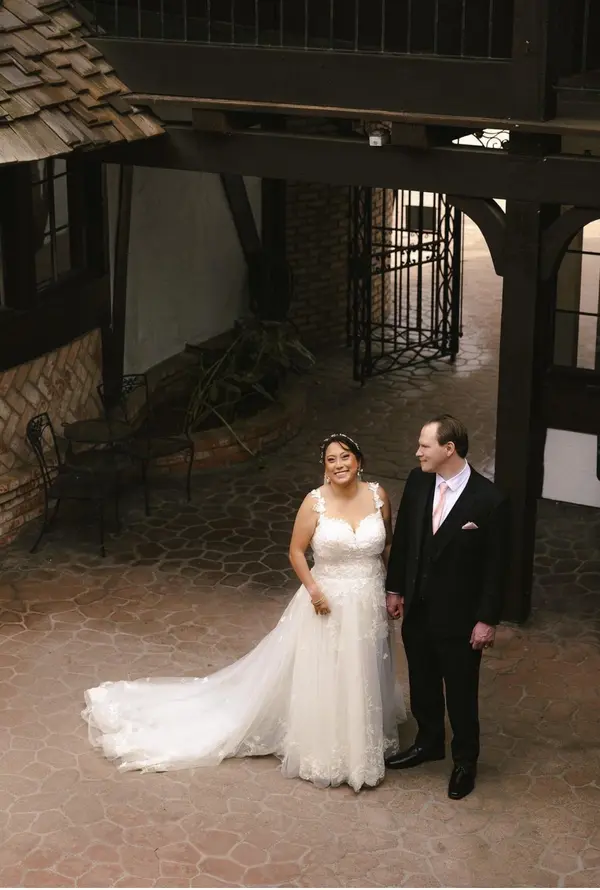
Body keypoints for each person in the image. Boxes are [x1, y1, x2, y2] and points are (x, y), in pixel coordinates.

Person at [82, 433, 405, 792]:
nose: (340, 464)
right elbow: (296, 552)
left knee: (363, 666)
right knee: (329, 672)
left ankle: (363, 738)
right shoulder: (314, 502)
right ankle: (333, 749)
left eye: (345, 457)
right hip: (326, 602)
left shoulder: (378, 496)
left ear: (359, 460)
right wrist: (314, 592)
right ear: (325, 468)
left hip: (368, 600)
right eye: (332, 460)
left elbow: (387, 544)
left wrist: (393, 588)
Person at [385, 415, 510, 800]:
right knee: (422, 680)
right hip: (418, 608)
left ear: (448, 449)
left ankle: (465, 762)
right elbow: (405, 538)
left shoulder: (489, 499)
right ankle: (428, 742)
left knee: (460, 692)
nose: (417, 452)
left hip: (460, 618)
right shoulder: (418, 480)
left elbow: (497, 567)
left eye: (424, 446)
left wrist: (487, 620)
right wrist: (395, 588)